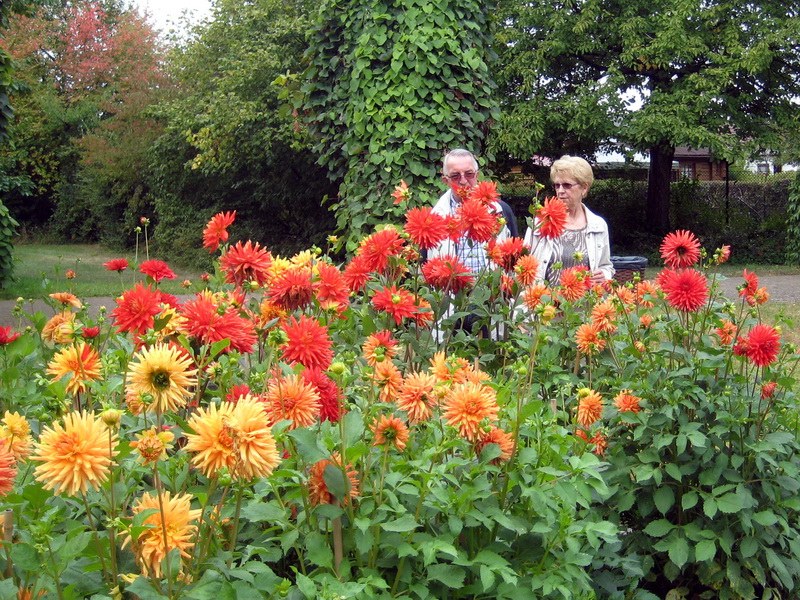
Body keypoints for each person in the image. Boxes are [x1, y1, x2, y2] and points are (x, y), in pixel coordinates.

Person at [524, 155, 613, 285]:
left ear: (584, 188)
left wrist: (604, 275)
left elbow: (606, 266)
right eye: (557, 185)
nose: (560, 191)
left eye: (567, 185)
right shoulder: (540, 221)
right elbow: (523, 263)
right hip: (545, 302)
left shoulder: (598, 225)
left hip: (584, 302)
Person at [428, 148, 517, 270]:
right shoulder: (435, 217)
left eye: (469, 174)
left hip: (493, 288)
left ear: (477, 175)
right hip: (452, 288)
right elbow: (425, 266)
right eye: (455, 176)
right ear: (445, 180)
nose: (463, 181)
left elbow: (515, 256)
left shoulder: (501, 210)